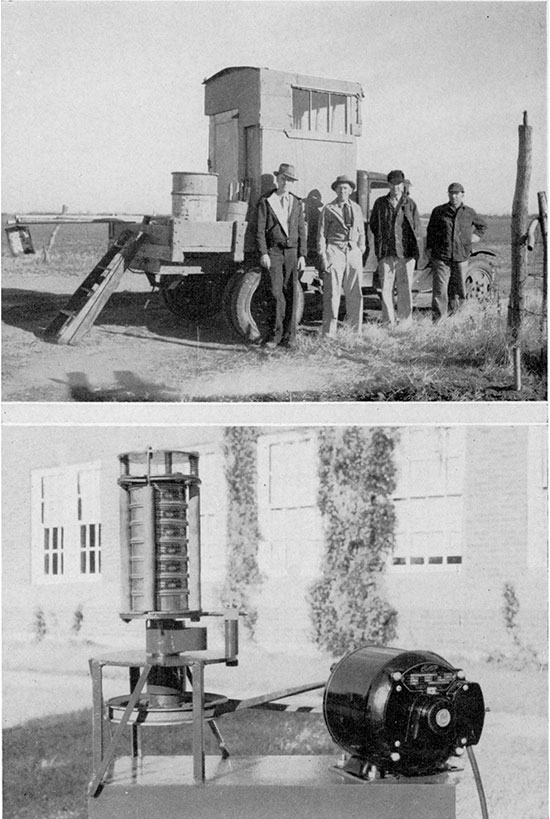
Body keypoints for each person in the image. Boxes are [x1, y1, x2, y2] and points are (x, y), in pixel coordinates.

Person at [256, 163, 307, 349]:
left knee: (291, 293)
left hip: (292, 253)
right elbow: (260, 230)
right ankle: (274, 336)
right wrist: (263, 252)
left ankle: (290, 337)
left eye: (290, 180)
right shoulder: (266, 201)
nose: (286, 183)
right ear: (277, 179)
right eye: (284, 179)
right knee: (275, 293)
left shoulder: (296, 202)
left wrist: (302, 255)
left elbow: (302, 230)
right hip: (274, 253)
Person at [426, 183, 487, 321]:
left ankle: (457, 317)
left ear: (462, 194)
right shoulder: (439, 211)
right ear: (448, 194)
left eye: (457, 193)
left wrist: (473, 238)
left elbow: (482, 226)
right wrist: (429, 250)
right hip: (442, 256)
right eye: (451, 193)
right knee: (440, 289)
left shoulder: (469, 212)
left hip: (461, 257)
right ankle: (439, 321)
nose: (454, 196)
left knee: (459, 289)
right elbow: (430, 232)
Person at [369, 169, 423, 326]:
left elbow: (417, 228)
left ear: (403, 184)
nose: (396, 187)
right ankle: (388, 322)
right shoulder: (380, 203)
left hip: (406, 254)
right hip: (386, 253)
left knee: (405, 289)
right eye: (392, 184)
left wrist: (414, 251)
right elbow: (374, 225)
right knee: (386, 288)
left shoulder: (410, 204)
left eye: (398, 184)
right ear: (388, 184)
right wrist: (382, 242)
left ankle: (405, 322)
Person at [318, 174, 366, 338]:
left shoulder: (357, 208)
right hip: (335, 251)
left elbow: (361, 231)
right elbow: (321, 235)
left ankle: (354, 332)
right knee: (332, 293)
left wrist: (361, 248)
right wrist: (324, 257)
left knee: (355, 292)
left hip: (353, 252)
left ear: (351, 190)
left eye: (346, 188)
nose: (343, 191)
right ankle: (329, 334)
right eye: (340, 188)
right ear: (335, 190)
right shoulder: (328, 209)